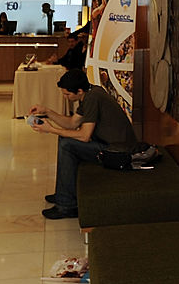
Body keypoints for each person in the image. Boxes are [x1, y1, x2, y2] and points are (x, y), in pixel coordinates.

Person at [28, 69, 136, 219]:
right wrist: (47, 111)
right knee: (64, 139)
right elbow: (72, 124)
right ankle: (63, 193)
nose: (65, 97)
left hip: (117, 153)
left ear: (79, 91)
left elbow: (84, 136)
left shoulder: (92, 98)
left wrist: (51, 129)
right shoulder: (90, 92)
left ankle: (67, 205)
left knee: (67, 144)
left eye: (67, 94)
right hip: (110, 146)